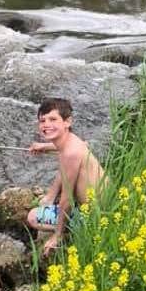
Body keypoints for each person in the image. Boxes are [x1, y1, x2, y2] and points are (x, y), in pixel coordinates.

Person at [26, 97, 105, 257]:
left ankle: (72, 231)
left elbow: (67, 199)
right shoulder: (73, 143)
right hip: (102, 204)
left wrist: (57, 235)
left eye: (53, 119)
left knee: (33, 217)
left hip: (95, 217)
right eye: (42, 121)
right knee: (64, 172)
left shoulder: (70, 153)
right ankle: (50, 198)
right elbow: (79, 146)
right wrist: (44, 146)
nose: (47, 124)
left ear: (67, 122)